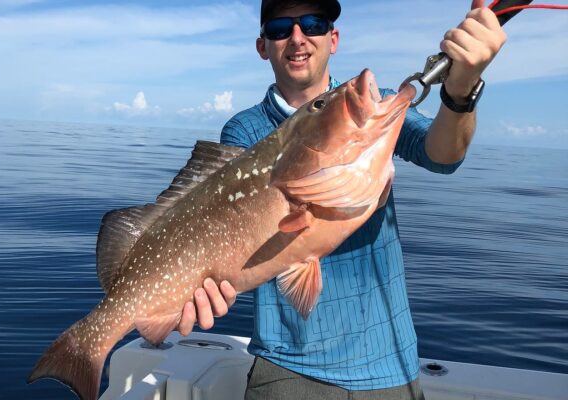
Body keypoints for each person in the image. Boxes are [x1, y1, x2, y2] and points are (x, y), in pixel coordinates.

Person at [176, 0, 506, 398]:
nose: (297, 38)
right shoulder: (245, 129)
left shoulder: (375, 105)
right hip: (284, 368)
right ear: (263, 46)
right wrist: (195, 285)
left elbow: (442, 154)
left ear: (333, 39)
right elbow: (229, 226)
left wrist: (460, 91)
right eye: (280, 28)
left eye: (313, 24)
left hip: (390, 365)